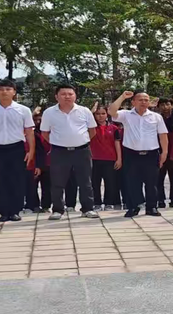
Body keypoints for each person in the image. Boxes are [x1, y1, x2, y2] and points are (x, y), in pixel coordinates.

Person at [41, 84, 99, 220]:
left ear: (75, 96)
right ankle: (57, 210)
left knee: (85, 181)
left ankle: (88, 208)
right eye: (63, 94)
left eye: (70, 94)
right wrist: (59, 142)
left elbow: (92, 131)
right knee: (57, 182)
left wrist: (81, 141)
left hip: (82, 150)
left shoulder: (84, 111)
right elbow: (44, 133)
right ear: (56, 96)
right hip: (59, 152)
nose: (67, 96)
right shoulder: (49, 112)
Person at [108, 90, 168, 218]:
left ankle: (151, 207)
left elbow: (163, 135)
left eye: (146, 100)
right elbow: (111, 112)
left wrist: (165, 152)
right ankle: (133, 207)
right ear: (133, 102)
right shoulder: (126, 115)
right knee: (132, 182)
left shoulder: (156, 117)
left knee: (152, 183)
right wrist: (122, 97)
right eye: (140, 100)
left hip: (151, 154)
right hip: (131, 154)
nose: (143, 102)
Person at [0, 79, 35, 222]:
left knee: (17, 180)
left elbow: (29, 132)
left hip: (16, 148)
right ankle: (3, 211)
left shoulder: (23, 110)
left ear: (14, 92)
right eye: (1, 89)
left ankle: (15, 211)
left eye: (8, 89)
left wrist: (31, 151)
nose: (4, 92)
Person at [90, 105, 122, 210]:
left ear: (107, 114)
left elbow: (117, 143)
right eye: (98, 114)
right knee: (95, 183)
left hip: (110, 159)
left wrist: (119, 158)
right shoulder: (90, 127)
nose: (100, 116)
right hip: (94, 159)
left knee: (110, 182)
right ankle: (97, 203)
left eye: (103, 113)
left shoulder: (114, 128)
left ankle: (109, 203)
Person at [32, 112, 52, 212]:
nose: (38, 122)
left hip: (49, 163)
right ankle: (34, 205)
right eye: (35, 120)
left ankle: (46, 206)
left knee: (47, 186)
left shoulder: (51, 132)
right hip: (35, 162)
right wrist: (37, 165)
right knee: (33, 185)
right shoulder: (32, 133)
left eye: (40, 120)